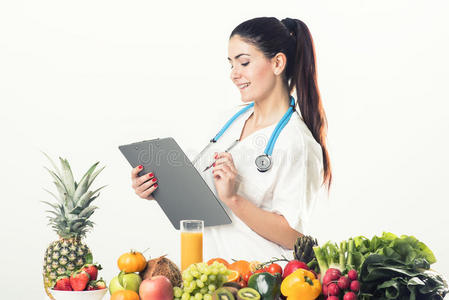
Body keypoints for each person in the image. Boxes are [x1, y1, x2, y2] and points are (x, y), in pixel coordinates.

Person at [130, 17, 331, 262]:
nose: (234, 74)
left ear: (278, 63)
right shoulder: (229, 121)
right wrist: (157, 188)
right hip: (207, 272)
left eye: (244, 63)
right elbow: (199, 194)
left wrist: (233, 198)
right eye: (231, 65)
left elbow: (294, 238)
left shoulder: (297, 142)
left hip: (258, 279)